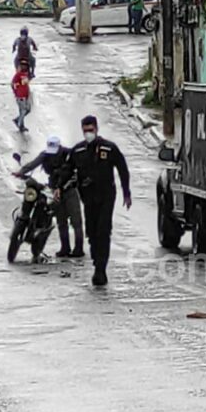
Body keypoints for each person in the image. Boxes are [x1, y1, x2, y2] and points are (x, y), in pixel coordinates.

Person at [55, 115, 131, 286]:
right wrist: (59, 186)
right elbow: (67, 169)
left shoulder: (109, 148)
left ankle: (101, 269)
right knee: (92, 231)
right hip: (88, 196)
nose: (88, 133)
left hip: (106, 195)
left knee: (103, 230)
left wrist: (127, 193)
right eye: (85, 131)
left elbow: (122, 169)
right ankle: (97, 261)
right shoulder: (78, 151)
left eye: (91, 130)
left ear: (96, 129)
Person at [13, 136, 85, 258]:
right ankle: (65, 248)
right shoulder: (45, 155)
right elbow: (33, 164)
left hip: (69, 189)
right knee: (61, 221)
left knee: (76, 221)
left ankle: (78, 249)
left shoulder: (68, 154)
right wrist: (21, 172)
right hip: (54, 190)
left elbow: (79, 167)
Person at [11, 60, 31, 132]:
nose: (24, 66)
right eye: (22, 65)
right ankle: (20, 124)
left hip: (26, 96)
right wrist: (15, 92)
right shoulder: (18, 74)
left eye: (25, 65)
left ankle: (18, 120)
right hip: (20, 96)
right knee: (23, 110)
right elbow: (13, 83)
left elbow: (26, 85)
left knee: (28, 109)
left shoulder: (25, 74)